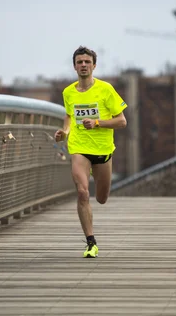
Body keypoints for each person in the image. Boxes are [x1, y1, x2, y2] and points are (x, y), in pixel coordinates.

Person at [55, 46, 128, 258]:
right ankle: (90, 242)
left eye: (87, 62)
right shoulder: (68, 92)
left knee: (102, 198)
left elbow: (122, 121)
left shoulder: (106, 90)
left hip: (103, 150)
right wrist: (66, 131)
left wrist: (97, 122)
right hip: (79, 148)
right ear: (74, 66)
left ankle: (98, 178)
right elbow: (69, 115)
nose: (83, 65)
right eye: (80, 62)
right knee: (82, 192)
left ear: (94, 65)